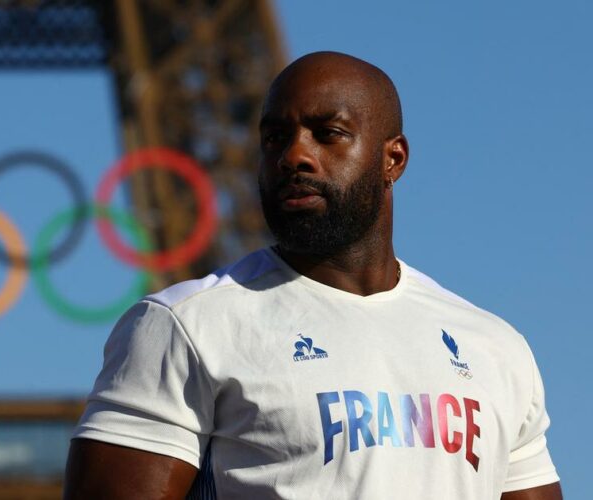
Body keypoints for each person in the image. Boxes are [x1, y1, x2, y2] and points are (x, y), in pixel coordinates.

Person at [63, 51, 562, 499]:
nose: (293, 156)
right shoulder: (184, 327)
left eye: (329, 133)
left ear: (394, 159)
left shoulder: (495, 347)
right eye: (275, 137)